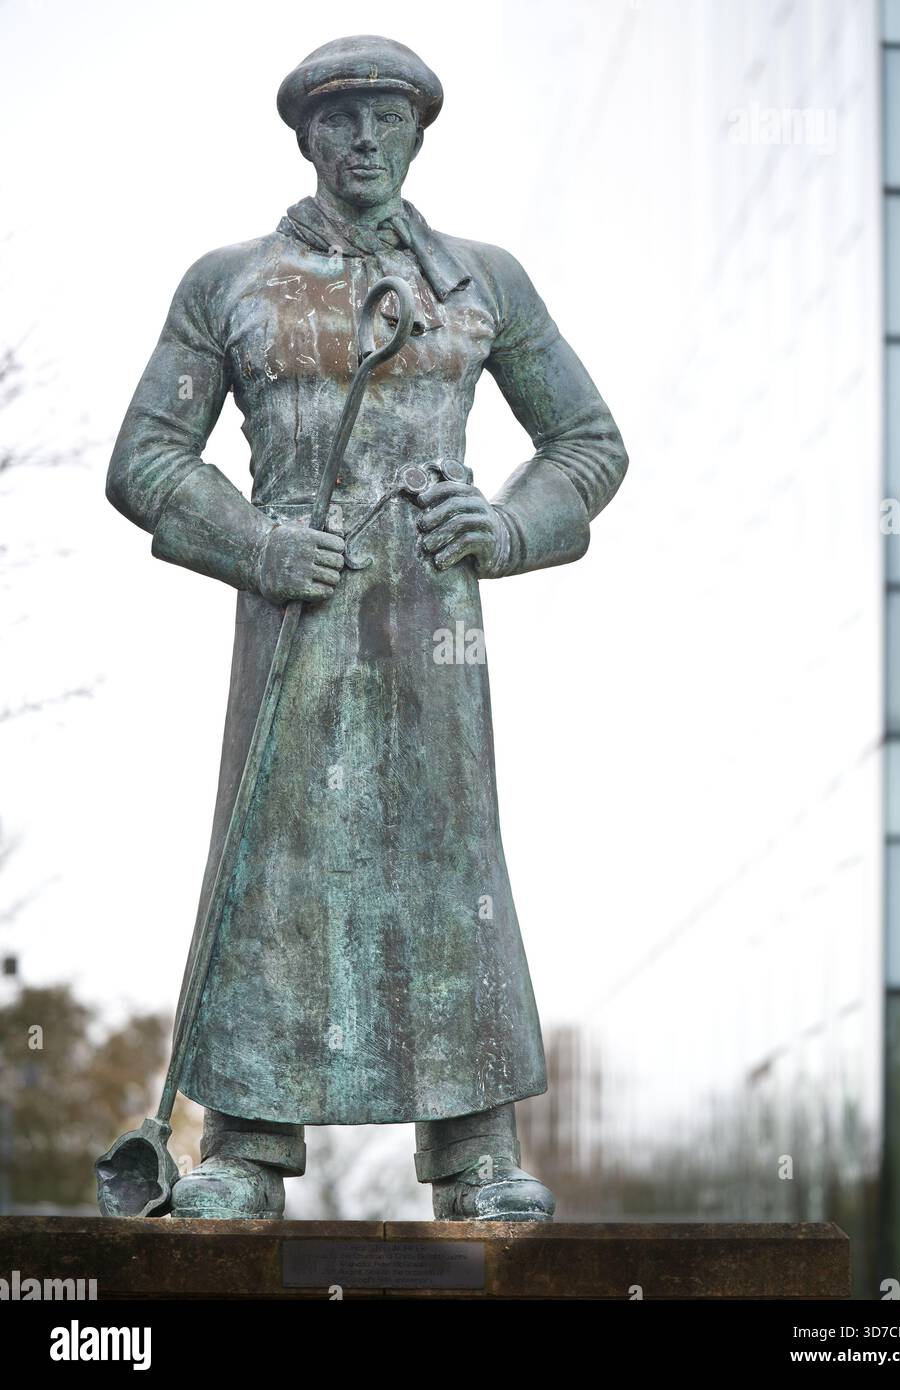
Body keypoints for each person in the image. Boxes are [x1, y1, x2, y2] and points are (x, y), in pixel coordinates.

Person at [106, 35, 628, 1220]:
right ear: (305, 135)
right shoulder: (228, 281)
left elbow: (589, 442)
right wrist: (255, 544)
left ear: (417, 131)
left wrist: (505, 525)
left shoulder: (480, 278)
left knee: (450, 864)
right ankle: (241, 1143)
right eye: (341, 120)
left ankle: (477, 1147)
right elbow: (143, 458)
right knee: (276, 862)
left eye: (387, 118)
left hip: (430, 622)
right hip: (298, 615)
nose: (365, 140)